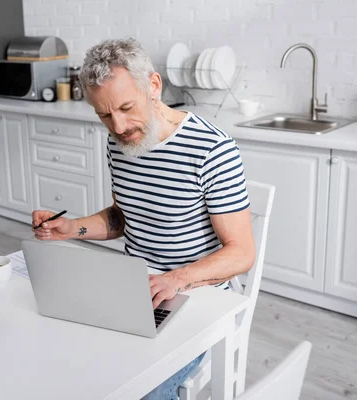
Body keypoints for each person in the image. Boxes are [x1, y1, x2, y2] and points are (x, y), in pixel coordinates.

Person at [32, 38, 255, 400]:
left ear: (153, 86)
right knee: (63, 361)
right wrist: (72, 228)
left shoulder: (212, 149)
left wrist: (176, 279)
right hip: (135, 290)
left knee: (142, 391)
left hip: (197, 297)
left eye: (125, 107)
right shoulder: (120, 144)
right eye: (104, 115)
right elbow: (124, 217)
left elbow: (242, 253)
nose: (118, 126)